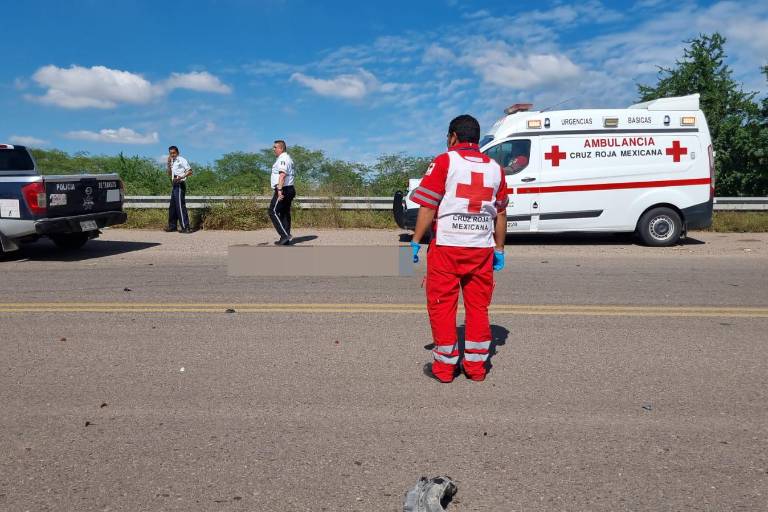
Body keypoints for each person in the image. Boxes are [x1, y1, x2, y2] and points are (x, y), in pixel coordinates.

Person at [409, 115, 508, 383]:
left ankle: (444, 369)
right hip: (481, 248)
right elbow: (500, 213)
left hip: (447, 247)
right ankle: (476, 369)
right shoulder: (495, 168)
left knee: (442, 306)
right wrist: (499, 249)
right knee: (478, 307)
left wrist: (416, 240)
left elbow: (428, 205)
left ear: (453, 136)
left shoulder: (445, 161)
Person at [268, 139, 296, 245]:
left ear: (281, 148)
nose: (273, 149)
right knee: (284, 213)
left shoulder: (283, 159)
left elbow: (282, 175)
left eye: (275, 147)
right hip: (290, 188)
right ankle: (285, 240)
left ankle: (284, 235)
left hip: (283, 189)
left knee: (272, 211)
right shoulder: (289, 159)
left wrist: (279, 190)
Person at [165, 145, 193, 233]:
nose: (172, 155)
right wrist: (168, 165)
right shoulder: (172, 162)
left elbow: (190, 171)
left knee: (180, 206)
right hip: (174, 184)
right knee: (172, 206)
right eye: (170, 153)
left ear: (177, 152)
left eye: (174, 153)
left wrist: (181, 177)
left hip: (180, 183)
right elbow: (169, 174)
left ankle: (186, 227)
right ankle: (172, 226)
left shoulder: (181, 160)